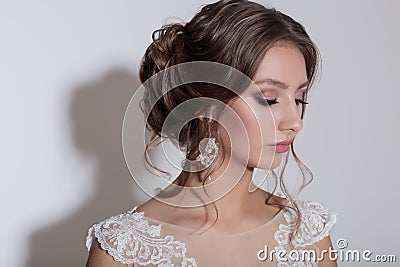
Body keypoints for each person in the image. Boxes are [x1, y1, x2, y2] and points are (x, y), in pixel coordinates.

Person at [85, 0, 337, 266]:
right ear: (205, 104)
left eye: (299, 99)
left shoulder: (307, 233)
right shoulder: (122, 249)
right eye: (269, 99)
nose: (296, 122)